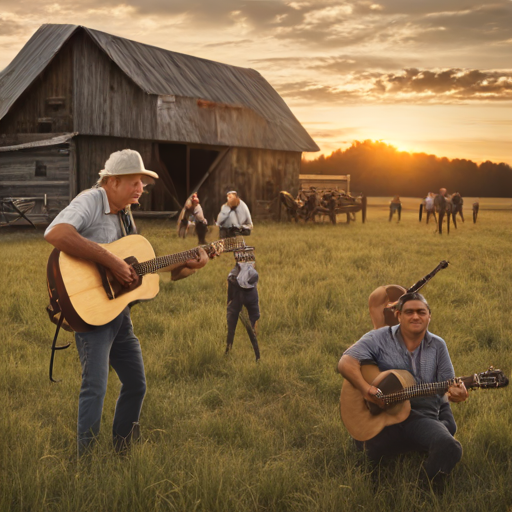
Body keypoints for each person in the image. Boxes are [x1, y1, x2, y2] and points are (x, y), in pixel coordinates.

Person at [44, 149, 209, 457]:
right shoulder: (90, 200)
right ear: (113, 181)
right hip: (91, 310)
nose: (140, 189)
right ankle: (88, 461)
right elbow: (56, 232)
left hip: (118, 312)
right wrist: (110, 261)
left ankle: (123, 451)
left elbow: (144, 268)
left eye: (142, 183)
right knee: (95, 388)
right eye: (134, 182)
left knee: (136, 383)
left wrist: (190, 263)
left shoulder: (125, 214)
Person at [338, 292, 468, 485]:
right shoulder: (379, 337)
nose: (416, 316)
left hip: (421, 415)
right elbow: (345, 362)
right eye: (409, 312)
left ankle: (423, 491)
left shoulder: (438, 345)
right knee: (367, 454)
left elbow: (448, 385)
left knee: (450, 447)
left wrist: (458, 393)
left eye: (421, 312)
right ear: (398, 315)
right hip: (383, 413)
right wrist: (367, 391)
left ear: (429, 315)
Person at [224, 247, 260, 361]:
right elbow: (255, 312)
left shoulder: (235, 276)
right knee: (243, 328)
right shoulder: (248, 280)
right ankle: (257, 356)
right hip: (242, 299)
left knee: (234, 327)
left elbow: (230, 294)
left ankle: (229, 351)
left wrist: (229, 302)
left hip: (238, 299)